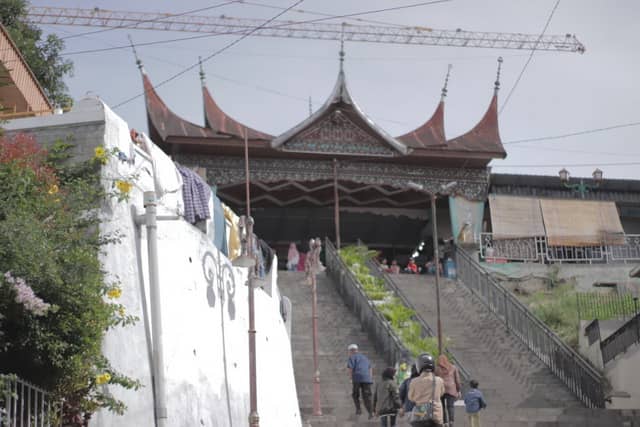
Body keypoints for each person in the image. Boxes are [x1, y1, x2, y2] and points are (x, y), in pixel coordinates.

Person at [407, 353, 445, 427]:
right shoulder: (439, 380)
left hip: (420, 415)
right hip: (436, 416)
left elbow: (410, 398)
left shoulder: (414, 381)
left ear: (419, 366)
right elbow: (442, 393)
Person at [347, 344, 374, 419]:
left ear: (351, 351)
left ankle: (358, 409)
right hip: (367, 378)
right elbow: (370, 368)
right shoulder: (365, 357)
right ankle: (371, 412)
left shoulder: (352, 357)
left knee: (355, 394)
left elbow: (350, 369)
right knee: (367, 396)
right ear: (357, 350)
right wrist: (370, 378)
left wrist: (350, 378)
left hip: (357, 378)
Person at [434, 354, 461, 427]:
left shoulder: (437, 368)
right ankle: (451, 422)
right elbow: (457, 380)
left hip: (441, 388)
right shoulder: (453, 367)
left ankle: (445, 422)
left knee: (442, 406)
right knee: (450, 406)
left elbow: (435, 379)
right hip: (451, 388)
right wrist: (458, 390)